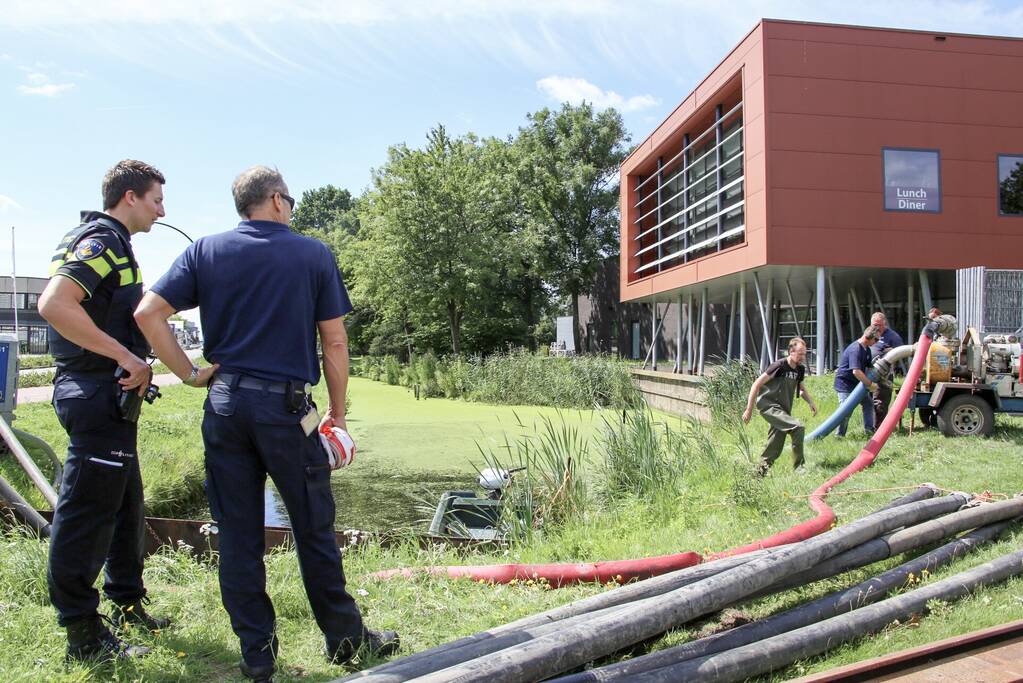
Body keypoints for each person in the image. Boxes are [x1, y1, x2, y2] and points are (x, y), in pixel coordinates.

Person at [134, 166, 398, 682]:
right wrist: (338, 415)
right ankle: (345, 642)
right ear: (276, 200)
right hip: (285, 411)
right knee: (312, 527)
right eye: (291, 199)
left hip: (226, 406)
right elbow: (336, 343)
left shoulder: (204, 251)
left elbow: (149, 314)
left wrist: (189, 374)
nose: (292, 207)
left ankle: (257, 654)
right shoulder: (311, 253)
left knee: (237, 534)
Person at [38, 160, 181, 663]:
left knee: (125, 503)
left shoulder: (115, 244)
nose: (163, 210)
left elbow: (107, 311)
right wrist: (124, 356)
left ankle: (126, 600)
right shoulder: (101, 239)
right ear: (129, 197)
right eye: (156, 200)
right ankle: (82, 633)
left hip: (110, 400)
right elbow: (55, 304)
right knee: (86, 513)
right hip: (95, 393)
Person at [742, 338, 818, 474]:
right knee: (798, 427)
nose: (802, 357)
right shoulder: (779, 366)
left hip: (783, 410)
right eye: (800, 354)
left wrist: (811, 402)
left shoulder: (799, 369)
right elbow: (756, 385)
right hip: (769, 406)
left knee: (775, 444)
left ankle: (759, 473)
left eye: (804, 354)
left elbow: (800, 388)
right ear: (791, 351)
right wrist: (749, 409)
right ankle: (799, 468)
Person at [834, 326, 880, 437]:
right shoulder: (856, 349)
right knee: (846, 411)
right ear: (869, 337)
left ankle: (869, 431)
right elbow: (856, 372)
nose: (877, 342)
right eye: (876, 340)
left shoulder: (867, 349)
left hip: (857, 384)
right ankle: (839, 436)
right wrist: (870, 384)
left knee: (868, 403)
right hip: (845, 385)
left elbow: (870, 368)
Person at [869, 312, 905, 425]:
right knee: (868, 402)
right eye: (874, 325)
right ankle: (870, 427)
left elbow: (900, 354)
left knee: (880, 402)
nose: (876, 328)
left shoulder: (893, 337)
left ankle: (880, 428)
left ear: (884, 324)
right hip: (869, 373)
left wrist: (888, 353)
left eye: (879, 325)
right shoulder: (870, 334)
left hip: (884, 375)